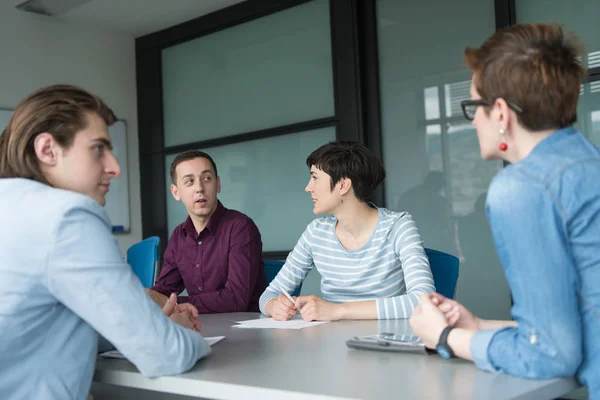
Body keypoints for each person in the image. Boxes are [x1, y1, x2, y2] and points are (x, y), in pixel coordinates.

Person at [409, 24, 599, 397]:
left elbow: (551, 355)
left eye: (472, 107)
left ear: (499, 113)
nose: (473, 120)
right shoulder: (588, 161)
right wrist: (476, 326)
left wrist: (446, 336)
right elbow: (573, 325)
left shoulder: (523, 186)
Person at [0, 85, 210, 400]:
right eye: (99, 148)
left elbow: (40, 329)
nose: (115, 167)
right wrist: (175, 331)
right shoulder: (68, 215)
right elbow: (165, 354)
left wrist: (146, 324)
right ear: (47, 150)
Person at [260, 141, 435, 321]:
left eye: (315, 177)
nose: (308, 187)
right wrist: (275, 307)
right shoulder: (316, 233)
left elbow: (423, 301)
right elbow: (268, 295)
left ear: (343, 185)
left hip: (386, 341)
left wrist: (338, 311)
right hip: (330, 342)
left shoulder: (398, 227)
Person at [146, 150, 266, 313]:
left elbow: (236, 299)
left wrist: (172, 303)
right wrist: (144, 296)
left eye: (206, 178)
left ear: (218, 184)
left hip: (245, 327)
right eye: (189, 181)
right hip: (202, 325)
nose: (199, 188)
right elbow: (164, 289)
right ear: (176, 192)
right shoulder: (178, 236)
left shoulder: (240, 227)